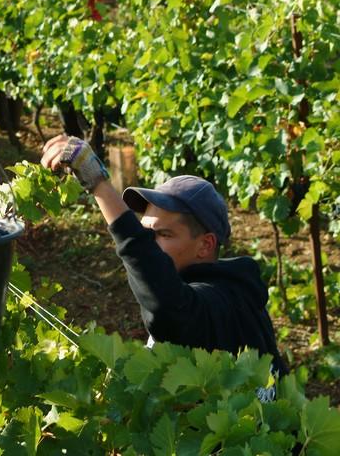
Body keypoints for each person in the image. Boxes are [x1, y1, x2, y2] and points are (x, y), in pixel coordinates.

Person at [40, 135, 288, 380]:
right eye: (146, 232)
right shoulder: (241, 291)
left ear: (205, 245)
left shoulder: (214, 305)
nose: (150, 243)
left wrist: (98, 183)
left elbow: (168, 304)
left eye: (163, 234)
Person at [46, 0, 107, 147]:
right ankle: (84, 135)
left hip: (82, 41)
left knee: (70, 94)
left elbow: (71, 11)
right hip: (82, 38)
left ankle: (79, 139)